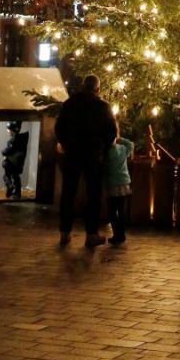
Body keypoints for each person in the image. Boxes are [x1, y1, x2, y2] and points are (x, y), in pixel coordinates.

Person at [55, 73, 117, 248]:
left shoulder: (70, 104)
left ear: (83, 86)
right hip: (93, 155)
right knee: (93, 195)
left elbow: (59, 128)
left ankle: (65, 232)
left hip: (73, 153)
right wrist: (103, 148)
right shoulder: (103, 106)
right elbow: (111, 132)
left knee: (68, 193)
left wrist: (66, 144)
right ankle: (91, 234)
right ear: (97, 88)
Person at [105, 124, 134, 244]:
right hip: (123, 184)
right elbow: (131, 144)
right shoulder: (122, 149)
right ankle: (122, 234)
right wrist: (119, 138)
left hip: (112, 184)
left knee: (112, 211)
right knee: (121, 211)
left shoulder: (106, 152)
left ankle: (117, 234)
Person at [2, 121, 29, 199]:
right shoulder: (22, 139)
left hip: (11, 163)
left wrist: (3, 152)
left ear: (12, 130)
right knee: (16, 177)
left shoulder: (13, 140)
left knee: (6, 176)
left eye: (8, 129)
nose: (7, 131)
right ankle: (17, 194)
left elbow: (8, 151)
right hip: (18, 163)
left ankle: (10, 187)